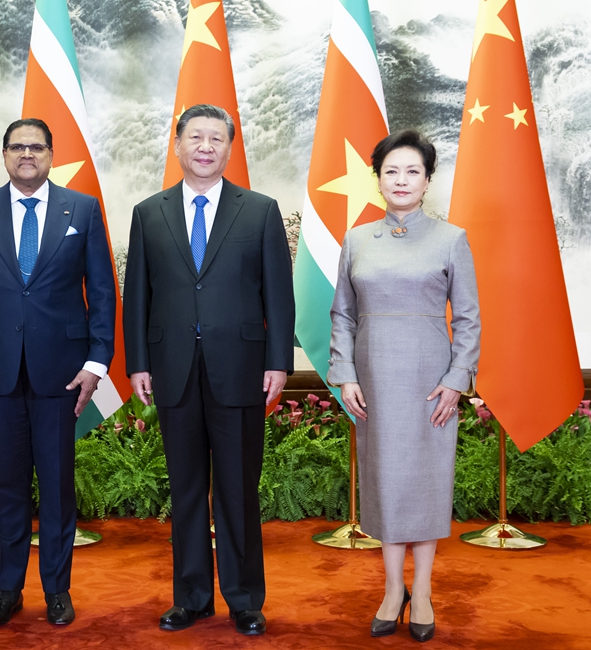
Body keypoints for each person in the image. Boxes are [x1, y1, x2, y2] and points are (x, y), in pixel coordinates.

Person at [123, 104, 296, 636]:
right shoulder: (149, 213)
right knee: (186, 487)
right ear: (177, 145)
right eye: (195, 137)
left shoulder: (260, 210)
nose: (205, 146)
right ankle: (191, 597)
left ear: (229, 148)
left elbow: (278, 294)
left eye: (216, 138)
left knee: (238, 489)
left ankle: (244, 598)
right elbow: (137, 297)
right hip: (172, 368)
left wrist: (279, 362)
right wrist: (137, 363)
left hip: (241, 368)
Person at [0, 118, 116, 627]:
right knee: (10, 487)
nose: (26, 154)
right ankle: (8, 589)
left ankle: (57, 590)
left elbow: (102, 292)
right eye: (17, 147)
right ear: (4, 155)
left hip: (62, 373)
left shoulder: (81, 208)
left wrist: (96, 363)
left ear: (50, 155)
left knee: (58, 487)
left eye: (36, 147)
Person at [327, 130, 481, 642]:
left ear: (428, 180)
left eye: (412, 171)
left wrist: (457, 381)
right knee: (387, 483)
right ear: (378, 179)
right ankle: (393, 590)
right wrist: (345, 373)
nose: (401, 180)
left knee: (425, 482)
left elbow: (469, 319)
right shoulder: (356, 240)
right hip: (373, 380)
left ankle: (425, 591)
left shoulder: (451, 238)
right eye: (391, 171)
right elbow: (343, 316)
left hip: (431, 384)